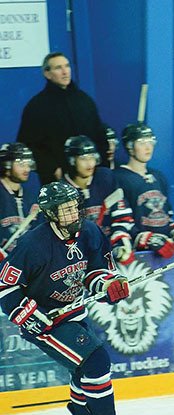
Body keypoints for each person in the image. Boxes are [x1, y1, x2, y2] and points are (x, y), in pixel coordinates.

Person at [0, 181, 141, 415]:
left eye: (74, 207)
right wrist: (29, 315)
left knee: (82, 369)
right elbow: (5, 286)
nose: (73, 213)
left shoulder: (90, 231)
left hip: (73, 312)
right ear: (51, 213)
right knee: (96, 360)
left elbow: (96, 272)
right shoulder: (33, 244)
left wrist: (108, 285)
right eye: (65, 210)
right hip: (45, 321)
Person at [17, 52, 108, 185]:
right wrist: (51, 168)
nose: (65, 71)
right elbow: (26, 144)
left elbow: (98, 133)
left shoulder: (84, 100)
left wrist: (100, 164)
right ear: (47, 74)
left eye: (67, 66)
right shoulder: (37, 106)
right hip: (58, 180)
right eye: (58, 68)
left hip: (91, 176)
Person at [114, 123, 174, 259]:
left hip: (165, 250)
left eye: (151, 141)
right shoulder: (118, 178)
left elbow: (166, 216)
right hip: (136, 255)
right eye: (142, 142)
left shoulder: (159, 176)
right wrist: (146, 239)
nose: (148, 147)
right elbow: (119, 222)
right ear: (130, 146)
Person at [61, 135, 134, 264]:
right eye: (83, 158)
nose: (90, 163)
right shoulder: (61, 191)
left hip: (110, 251)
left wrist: (119, 241)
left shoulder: (105, 178)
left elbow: (122, 215)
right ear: (72, 160)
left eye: (92, 157)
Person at [0, 143, 39, 260]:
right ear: (6, 165)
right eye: (21, 164)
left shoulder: (32, 198)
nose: (27, 169)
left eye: (28, 164)